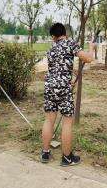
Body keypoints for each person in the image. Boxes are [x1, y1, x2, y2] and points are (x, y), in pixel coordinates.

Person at [41, 23, 95, 166]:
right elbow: (88, 59)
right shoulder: (70, 43)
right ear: (65, 33)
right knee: (67, 122)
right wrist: (91, 47)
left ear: (54, 36)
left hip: (49, 85)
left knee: (48, 120)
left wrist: (69, 75)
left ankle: (45, 153)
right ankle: (66, 158)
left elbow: (57, 67)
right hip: (63, 87)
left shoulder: (51, 48)